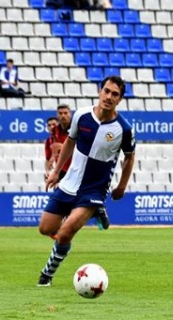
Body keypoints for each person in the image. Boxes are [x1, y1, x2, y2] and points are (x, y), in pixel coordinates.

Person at [37, 76, 135, 287]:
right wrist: (55, 172)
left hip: (93, 190)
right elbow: (69, 143)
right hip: (69, 183)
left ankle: (46, 276)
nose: (109, 97)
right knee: (45, 228)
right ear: (100, 91)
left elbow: (130, 156)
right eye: (106, 91)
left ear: (120, 99)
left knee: (65, 233)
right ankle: (93, 216)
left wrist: (121, 186)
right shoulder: (81, 115)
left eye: (114, 94)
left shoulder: (124, 129)